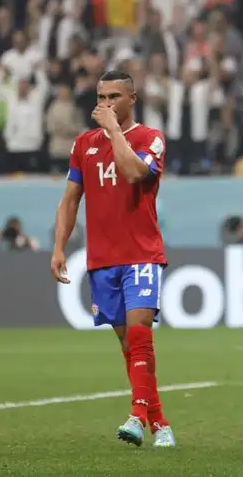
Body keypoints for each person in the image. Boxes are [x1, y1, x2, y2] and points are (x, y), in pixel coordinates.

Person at [50, 70, 174, 448]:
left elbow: (135, 173)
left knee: (139, 333)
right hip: (103, 258)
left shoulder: (150, 138)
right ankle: (160, 423)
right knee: (128, 346)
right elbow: (70, 200)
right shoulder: (83, 144)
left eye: (114, 97)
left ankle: (136, 415)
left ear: (132, 99)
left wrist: (114, 131)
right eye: (101, 97)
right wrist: (58, 247)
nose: (106, 104)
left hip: (142, 253)